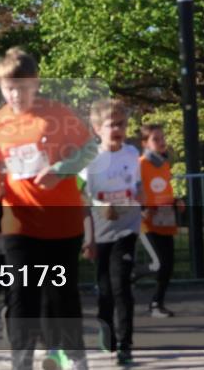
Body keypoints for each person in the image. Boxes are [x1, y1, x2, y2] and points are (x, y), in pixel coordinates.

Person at [0, 48, 95, 370]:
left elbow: (90, 148)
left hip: (61, 220)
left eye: (22, 87)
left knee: (62, 295)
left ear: (36, 84)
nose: (16, 94)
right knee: (22, 294)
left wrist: (62, 168)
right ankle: (22, 362)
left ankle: (75, 358)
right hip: (19, 221)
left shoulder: (57, 114)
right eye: (8, 88)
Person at [79, 99, 141, 366]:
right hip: (100, 230)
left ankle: (126, 344)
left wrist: (139, 197)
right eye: (111, 124)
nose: (117, 128)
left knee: (121, 286)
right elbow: (84, 199)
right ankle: (107, 332)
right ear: (97, 129)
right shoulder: (91, 160)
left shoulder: (131, 153)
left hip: (127, 229)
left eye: (122, 124)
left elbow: (136, 187)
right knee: (105, 290)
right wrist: (90, 234)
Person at [137, 123, 182, 318]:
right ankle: (128, 274)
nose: (162, 142)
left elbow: (165, 189)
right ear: (145, 143)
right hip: (147, 221)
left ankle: (157, 303)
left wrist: (176, 201)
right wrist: (142, 210)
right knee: (158, 263)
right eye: (156, 139)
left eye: (163, 138)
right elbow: (135, 190)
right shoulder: (139, 164)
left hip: (165, 220)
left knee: (168, 265)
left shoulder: (164, 164)